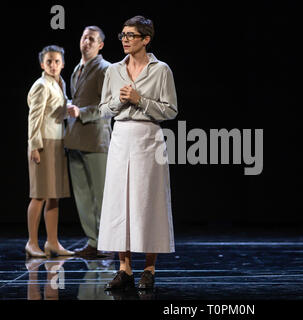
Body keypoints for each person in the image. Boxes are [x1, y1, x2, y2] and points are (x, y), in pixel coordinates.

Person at [97, 15, 177, 290]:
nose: (125, 40)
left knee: (147, 202)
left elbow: (170, 110)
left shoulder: (161, 69)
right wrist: (120, 103)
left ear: (146, 39)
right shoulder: (114, 70)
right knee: (121, 203)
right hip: (121, 137)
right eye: (123, 35)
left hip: (148, 136)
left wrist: (139, 100)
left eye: (131, 35)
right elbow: (103, 108)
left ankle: (149, 269)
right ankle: (124, 268)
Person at [64, 26, 112, 259]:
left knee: (101, 195)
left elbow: (109, 106)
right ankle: (93, 241)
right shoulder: (77, 69)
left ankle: (107, 242)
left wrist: (81, 112)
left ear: (100, 45)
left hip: (96, 140)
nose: (86, 42)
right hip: (75, 139)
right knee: (82, 195)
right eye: (84, 37)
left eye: (92, 39)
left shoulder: (106, 69)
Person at [26, 45, 75, 258]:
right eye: (49, 62)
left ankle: (52, 242)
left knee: (54, 196)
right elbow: (34, 117)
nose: (53, 65)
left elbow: (54, 112)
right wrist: (34, 146)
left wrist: (68, 109)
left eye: (56, 61)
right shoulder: (41, 85)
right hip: (43, 143)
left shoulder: (59, 83)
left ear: (62, 63)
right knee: (40, 195)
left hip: (57, 142)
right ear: (42, 65)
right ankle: (32, 243)